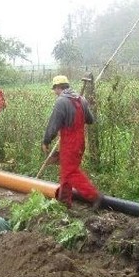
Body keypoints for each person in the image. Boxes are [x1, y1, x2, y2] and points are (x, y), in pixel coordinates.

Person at [42, 75, 101, 209]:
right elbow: (90, 120)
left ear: (58, 87)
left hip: (70, 143)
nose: (55, 92)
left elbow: (53, 125)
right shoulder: (82, 100)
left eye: (55, 89)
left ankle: (94, 195)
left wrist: (46, 141)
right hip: (80, 141)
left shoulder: (61, 101)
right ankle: (64, 202)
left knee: (70, 172)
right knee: (66, 171)